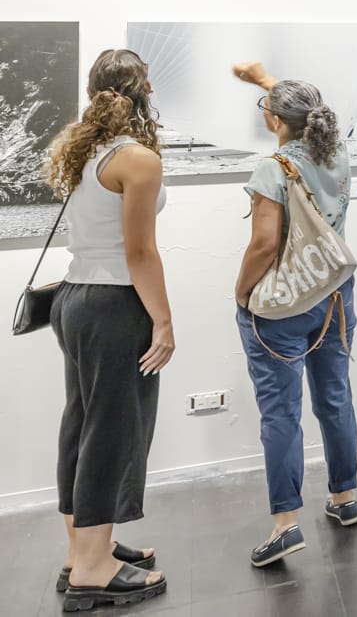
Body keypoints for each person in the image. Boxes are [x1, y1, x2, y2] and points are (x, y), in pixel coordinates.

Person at [43, 48, 172, 609]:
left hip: (73, 299)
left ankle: (83, 550)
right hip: (116, 304)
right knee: (113, 429)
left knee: (82, 421)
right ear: (142, 88)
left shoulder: (81, 148)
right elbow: (140, 252)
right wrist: (163, 320)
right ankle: (93, 571)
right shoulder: (137, 158)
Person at [232, 63, 357, 567]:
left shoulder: (272, 168)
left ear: (274, 121)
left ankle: (286, 525)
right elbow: (300, 108)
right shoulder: (338, 151)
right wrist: (267, 83)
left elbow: (265, 244)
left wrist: (241, 293)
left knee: (281, 412)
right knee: (335, 397)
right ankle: (344, 498)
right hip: (335, 292)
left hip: (284, 305)